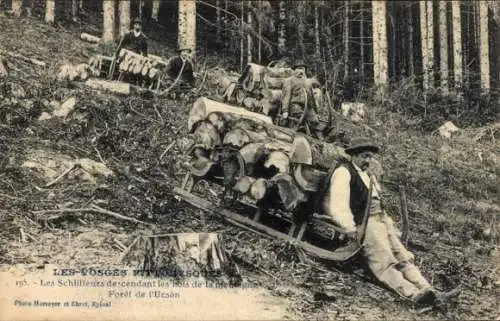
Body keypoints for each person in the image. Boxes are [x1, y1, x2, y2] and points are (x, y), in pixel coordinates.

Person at [323, 137, 459, 305]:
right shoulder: (344, 172)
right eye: (365, 156)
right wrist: (349, 228)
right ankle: (412, 294)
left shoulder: (368, 175)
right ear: (354, 155)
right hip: (365, 224)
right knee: (383, 262)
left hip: (380, 221)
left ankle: (431, 290)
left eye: (370, 157)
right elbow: (338, 204)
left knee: (403, 257)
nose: (368, 160)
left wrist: (390, 225)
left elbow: (378, 203)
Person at [280, 60, 325, 139]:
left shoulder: (307, 82)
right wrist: (285, 111)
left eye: (303, 69)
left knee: (315, 121)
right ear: (294, 70)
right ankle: (299, 135)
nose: (301, 71)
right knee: (299, 120)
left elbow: (312, 98)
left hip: (307, 106)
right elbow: (286, 96)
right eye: (299, 69)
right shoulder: (289, 80)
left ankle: (318, 138)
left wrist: (316, 111)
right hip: (294, 105)